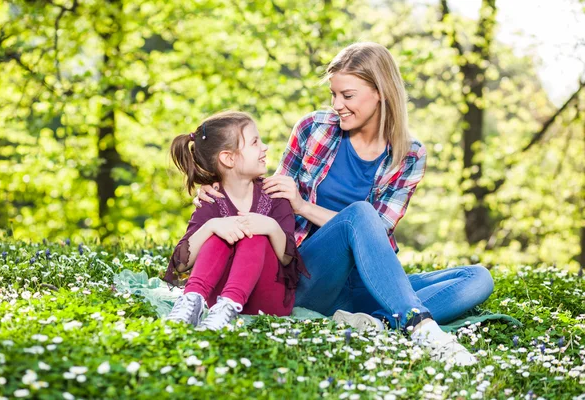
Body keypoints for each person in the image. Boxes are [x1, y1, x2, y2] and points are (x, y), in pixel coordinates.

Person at [195, 43, 494, 365]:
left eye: (347, 96)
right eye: (334, 95)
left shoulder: (410, 154)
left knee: (477, 278)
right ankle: (420, 326)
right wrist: (222, 187)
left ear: (380, 92)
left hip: (365, 280)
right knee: (360, 215)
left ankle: (375, 323)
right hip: (308, 274)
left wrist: (305, 206)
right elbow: (267, 194)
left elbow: (380, 231)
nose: (337, 105)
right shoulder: (313, 128)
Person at [163, 111, 308, 331]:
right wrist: (211, 226)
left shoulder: (274, 194)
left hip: (267, 299)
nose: (265, 147)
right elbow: (181, 263)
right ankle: (192, 301)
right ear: (228, 158)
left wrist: (269, 227)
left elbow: (288, 259)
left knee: (253, 233)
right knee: (219, 231)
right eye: (255, 142)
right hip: (217, 299)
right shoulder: (212, 199)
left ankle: (231, 305)